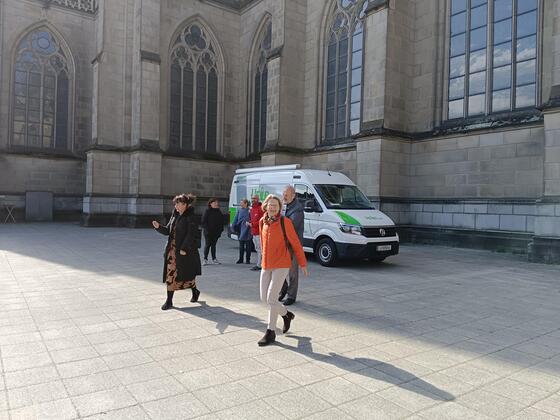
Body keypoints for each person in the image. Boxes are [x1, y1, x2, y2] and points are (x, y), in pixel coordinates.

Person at [258, 194, 308, 346]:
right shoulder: (262, 222)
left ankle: (270, 332)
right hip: (266, 264)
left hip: (282, 264)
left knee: (272, 299)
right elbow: (262, 243)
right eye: (270, 204)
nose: (272, 207)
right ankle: (286, 315)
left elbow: (296, 243)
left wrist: (302, 263)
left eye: (276, 205)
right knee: (264, 299)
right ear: (265, 206)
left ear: (280, 208)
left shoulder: (285, 222)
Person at [152, 193, 202, 310]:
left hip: (184, 252)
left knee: (185, 275)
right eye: (176, 203)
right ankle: (169, 301)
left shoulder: (191, 217)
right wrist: (158, 227)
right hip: (172, 252)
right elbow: (167, 231)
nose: (176, 206)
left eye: (178, 203)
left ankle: (195, 291)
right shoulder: (175, 215)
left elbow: (191, 235)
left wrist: (184, 248)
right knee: (171, 275)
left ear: (185, 205)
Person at [279, 185, 304, 305]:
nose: (284, 196)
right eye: (284, 194)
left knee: (292, 272)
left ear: (293, 196)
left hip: (293, 245)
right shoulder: (283, 205)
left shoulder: (297, 209)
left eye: (287, 195)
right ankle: (283, 289)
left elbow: (291, 226)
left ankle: (291, 296)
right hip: (282, 243)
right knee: (278, 268)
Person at [201, 198, 225, 265]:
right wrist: (207, 230)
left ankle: (214, 258)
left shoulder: (218, 211)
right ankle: (205, 259)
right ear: (210, 204)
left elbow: (221, 221)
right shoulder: (207, 211)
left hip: (216, 232)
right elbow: (203, 221)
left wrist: (220, 230)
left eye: (217, 202)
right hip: (208, 232)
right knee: (208, 245)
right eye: (214, 202)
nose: (216, 204)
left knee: (214, 245)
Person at [231, 198, 252, 264]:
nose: (240, 204)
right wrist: (233, 227)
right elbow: (235, 219)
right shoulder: (239, 210)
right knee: (241, 246)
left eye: (242, 203)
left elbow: (252, 219)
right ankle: (240, 259)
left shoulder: (250, 210)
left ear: (246, 204)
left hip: (248, 230)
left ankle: (248, 259)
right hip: (240, 230)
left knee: (248, 246)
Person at [249, 194, 264, 271]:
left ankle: (260, 265)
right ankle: (259, 264)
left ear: (258, 199)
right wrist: (250, 223)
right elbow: (252, 219)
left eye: (254, 198)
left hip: (259, 232)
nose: (253, 199)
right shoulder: (252, 209)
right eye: (252, 198)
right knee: (257, 248)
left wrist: (252, 224)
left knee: (260, 249)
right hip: (254, 232)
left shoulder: (260, 209)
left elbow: (262, 221)